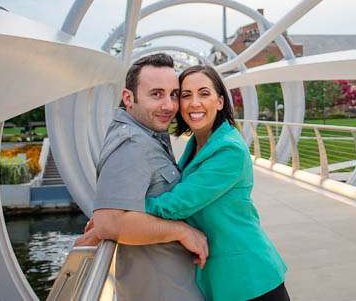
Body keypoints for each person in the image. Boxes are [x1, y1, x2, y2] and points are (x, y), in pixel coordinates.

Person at [145, 64, 289, 301]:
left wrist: (120, 215)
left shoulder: (228, 149)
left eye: (204, 93)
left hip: (250, 279)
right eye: (186, 95)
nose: (195, 103)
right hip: (223, 277)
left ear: (220, 102)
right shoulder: (196, 144)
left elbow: (176, 205)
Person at [74, 53, 206, 300]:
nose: (169, 105)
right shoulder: (132, 144)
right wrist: (182, 232)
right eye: (156, 94)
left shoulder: (148, 134)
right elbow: (109, 223)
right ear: (128, 98)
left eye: (173, 94)